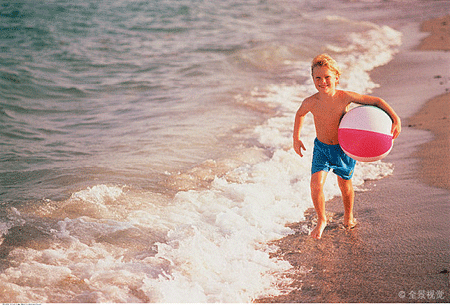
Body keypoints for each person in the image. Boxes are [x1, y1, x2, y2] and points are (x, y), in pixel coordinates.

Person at [293, 54, 401, 239]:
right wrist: (296, 138)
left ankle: (348, 215)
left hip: (344, 149)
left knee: (345, 185)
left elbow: (376, 102)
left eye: (327, 77)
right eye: (317, 78)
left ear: (336, 77)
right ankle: (322, 220)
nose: (322, 81)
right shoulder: (310, 102)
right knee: (316, 184)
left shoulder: (345, 97)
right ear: (312, 79)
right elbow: (300, 114)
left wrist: (395, 118)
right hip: (321, 149)